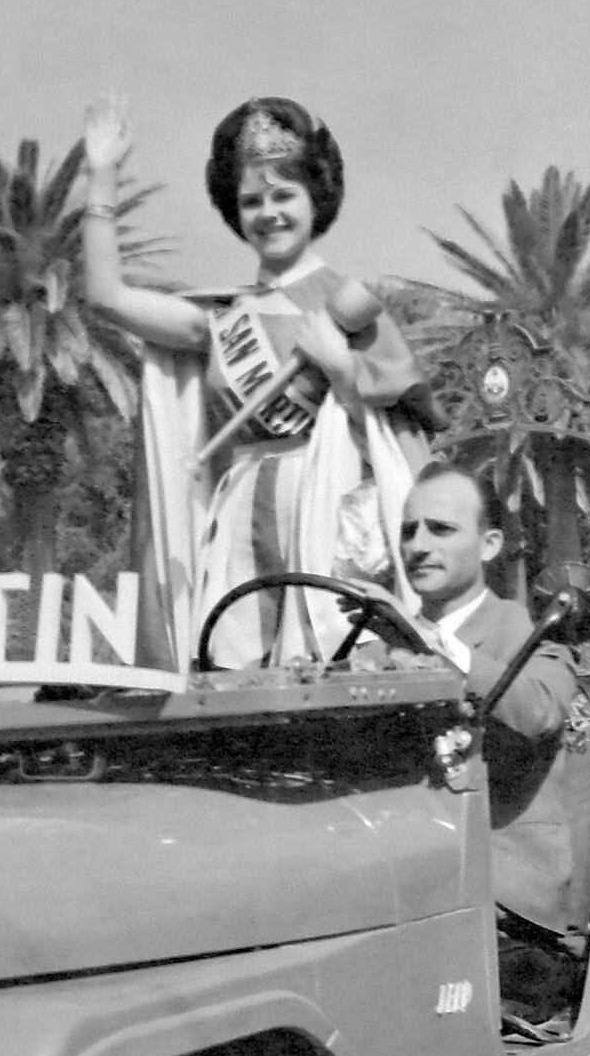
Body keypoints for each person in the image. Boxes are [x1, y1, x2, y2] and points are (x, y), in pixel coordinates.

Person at [81, 92, 437, 667]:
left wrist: (342, 367)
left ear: (316, 200)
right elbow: (107, 297)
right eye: (252, 201)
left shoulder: (348, 306)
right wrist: (100, 176)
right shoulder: (222, 319)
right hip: (242, 516)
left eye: (284, 195)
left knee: (331, 661)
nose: (269, 213)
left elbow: (402, 439)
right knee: (235, 663)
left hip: (329, 509)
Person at [392, 463, 590, 1046]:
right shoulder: (384, 643)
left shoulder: (530, 631)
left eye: (440, 529)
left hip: (511, 916)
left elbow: (541, 709)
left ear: (490, 544)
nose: (418, 545)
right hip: (403, 882)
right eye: (409, 530)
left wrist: (444, 654)